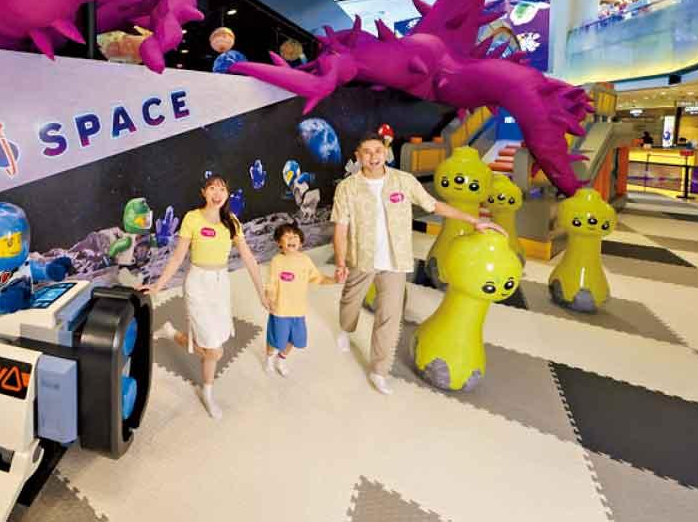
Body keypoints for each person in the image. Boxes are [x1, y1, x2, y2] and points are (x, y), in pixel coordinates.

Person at [332, 135, 506, 395]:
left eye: (378, 150)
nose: (373, 156)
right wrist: (340, 262)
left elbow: (434, 205)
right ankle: (346, 329)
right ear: (358, 156)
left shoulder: (404, 181)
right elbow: (340, 228)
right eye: (366, 151)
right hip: (361, 259)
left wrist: (474, 220)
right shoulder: (347, 188)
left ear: (386, 152)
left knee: (389, 317)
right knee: (350, 301)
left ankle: (379, 370)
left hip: (396, 261)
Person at [143, 175, 268, 419]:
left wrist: (261, 294)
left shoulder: (231, 222)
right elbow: (177, 257)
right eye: (212, 188)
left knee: (213, 344)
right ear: (204, 192)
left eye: (222, 189)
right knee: (215, 351)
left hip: (221, 285)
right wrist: (158, 286)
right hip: (198, 284)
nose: (217, 193)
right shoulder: (192, 218)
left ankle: (173, 336)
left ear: (227, 194)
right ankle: (207, 391)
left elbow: (249, 259)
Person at [263, 223, 341, 377]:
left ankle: (281, 359)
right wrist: (270, 299)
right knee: (276, 340)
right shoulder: (277, 261)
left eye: (295, 236)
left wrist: (335, 280)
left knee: (296, 339)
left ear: (301, 243)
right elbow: (271, 283)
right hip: (280, 311)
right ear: (279, 243)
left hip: (298, 311)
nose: (291, 238)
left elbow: (318, 278)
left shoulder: (305, 260)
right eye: (286, 236)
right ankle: (269, 359)